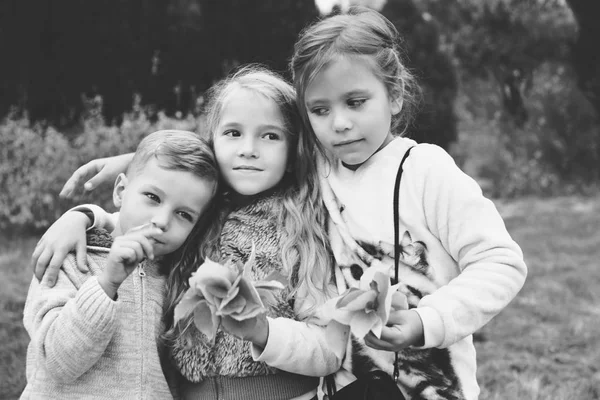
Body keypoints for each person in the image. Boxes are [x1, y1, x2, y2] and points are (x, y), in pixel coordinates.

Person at [30, 66, 342, 400]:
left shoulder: (303, 230)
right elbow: (142, 219)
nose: (248, 149)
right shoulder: (197, 215)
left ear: (293, 151)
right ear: (214, 141)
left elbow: (329, 348)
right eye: (233, 133)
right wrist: (83, 217)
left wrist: (264, 332)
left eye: (270, 136)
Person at [289, 7, 527, 400]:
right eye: (320, 109)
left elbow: (501, 262)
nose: (340, 123)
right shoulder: (317, 174)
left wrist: (425, 321)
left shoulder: (426, 171)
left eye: (355, 101)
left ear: (394, 96)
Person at [21, 129, 219, 399]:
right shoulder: (69, 255)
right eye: (153, 197)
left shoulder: (176, 275)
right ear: (120, 191)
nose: (162, 220)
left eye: (183, 214)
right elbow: (57, 362)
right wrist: (106, 285)